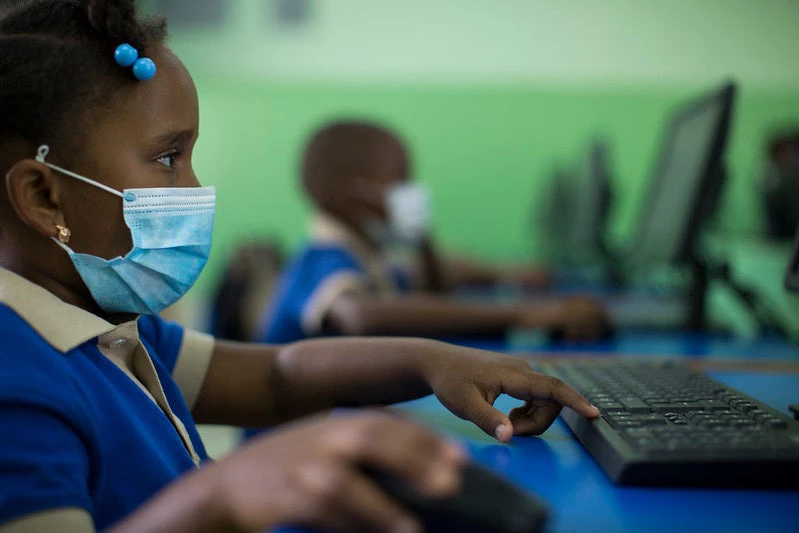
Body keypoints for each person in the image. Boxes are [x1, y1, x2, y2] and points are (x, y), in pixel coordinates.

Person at [0, 2, 601, 532]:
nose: (195, 186)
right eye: (168, 157)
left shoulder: (110, 327)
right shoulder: (17, 381)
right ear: (44, 196)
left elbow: (278, 377)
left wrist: (430, 360)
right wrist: (226, 494)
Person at [258, 121, 611, 344]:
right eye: (400, 180)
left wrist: (421, 236)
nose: (408, 191)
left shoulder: (366, 256)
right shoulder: (320, 258)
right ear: (353, 192)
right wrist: (525, 314)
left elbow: (438, 283)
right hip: (287, 442)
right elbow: (363, 315)